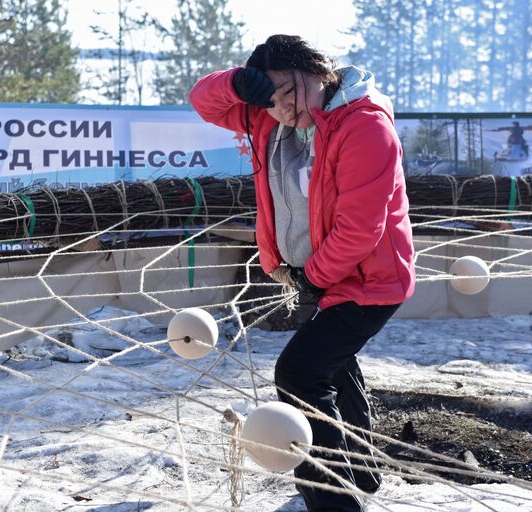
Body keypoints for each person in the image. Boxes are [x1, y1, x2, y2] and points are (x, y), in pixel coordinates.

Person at [190, 35, 416, 512]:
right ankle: (364, 474)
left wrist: (313, 275)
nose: (283, 109)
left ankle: (332, 500)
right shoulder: (263, 115)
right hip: (317, 274)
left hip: (370, 280)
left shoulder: (365, 126)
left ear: (319, 72)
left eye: (290, 93)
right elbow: (203, 102)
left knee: (299, 372)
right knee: (332, 363)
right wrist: (235, 82)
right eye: (270, 100)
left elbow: (360, 229)